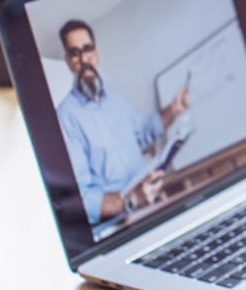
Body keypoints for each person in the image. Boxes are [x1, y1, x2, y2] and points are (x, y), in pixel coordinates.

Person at [56, 19, 190, 224]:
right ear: (68, 61)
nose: (83, 59)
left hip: (152, 204)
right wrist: (131, 200)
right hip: (119, 225)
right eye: (75, 53)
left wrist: (174, 110)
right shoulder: (66, 117)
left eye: (87, 49)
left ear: (97, 53)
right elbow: (79, 199)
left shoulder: (118, 102)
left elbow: (146, 131)